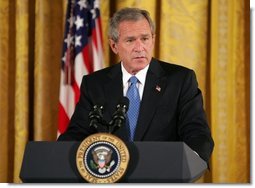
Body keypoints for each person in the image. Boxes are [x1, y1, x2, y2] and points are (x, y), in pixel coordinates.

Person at [58, 7, 214, 164]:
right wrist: (58, 158)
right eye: (130, 40)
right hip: (110, 176)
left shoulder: (180, 80)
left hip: (162, 174)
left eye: (145, 39)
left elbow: (196, 132)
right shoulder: (95, 84)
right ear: (114, 46)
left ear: (153, 39)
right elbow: (77, 133)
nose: (140, 48)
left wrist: (191, 162)